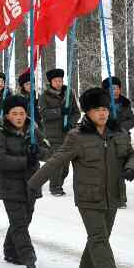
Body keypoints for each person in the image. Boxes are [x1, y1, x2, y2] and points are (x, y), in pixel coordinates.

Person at [29, 88, 134, 268]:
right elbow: (56, 161)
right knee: (98, 236)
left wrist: (131, 168)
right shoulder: (77, 136)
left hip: (114, 194)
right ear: (88, 112)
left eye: (106, 109)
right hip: (88, 197)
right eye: (97, 109)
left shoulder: (119, 133)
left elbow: (133, 155)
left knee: (101, 235)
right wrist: (33, 184)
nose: (103, 113)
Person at [0, 94, 51, 268]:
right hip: (10, 184)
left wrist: (37, 150)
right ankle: (27, 254)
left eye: (22, 113)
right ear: (7, 115)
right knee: (19, 222)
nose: (18, 117)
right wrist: (26, 161)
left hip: (31, 183)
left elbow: (49, 152)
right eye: (14, 113)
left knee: (25, 219)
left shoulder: (33, 130)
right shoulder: (1, 134)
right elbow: (0, 159)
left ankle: (10, 249)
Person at [38, 68, 80, 196]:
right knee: (57, 162)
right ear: (51, 82)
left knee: (65, 165)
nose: (58, 83)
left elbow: (76, 113)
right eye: (56, 81)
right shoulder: (44, 96)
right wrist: (60, 111)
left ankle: (58, 182)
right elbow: (43, 113)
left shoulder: (69, 94)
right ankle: (55, 187)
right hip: (53, 134)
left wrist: (70, 123)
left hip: (68, 133)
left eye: (60, 81)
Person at [102, 76, 134, 209]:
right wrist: (109, 124)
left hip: (122, 140)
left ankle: (121, 199)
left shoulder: (124, 103)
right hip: (106, 140)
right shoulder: (102, 104)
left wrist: (121, 126)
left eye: (116, 88)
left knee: (119, 168)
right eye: (111, 89)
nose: (114, 91)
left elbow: (132, 120)